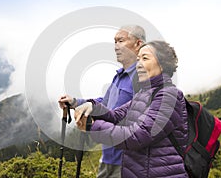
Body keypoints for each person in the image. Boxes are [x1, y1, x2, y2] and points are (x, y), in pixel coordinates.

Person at [74, 41, 189, 177]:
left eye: (145, 58)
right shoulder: (143, 94)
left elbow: (137, 136)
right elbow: (116, 116)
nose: (138, 64)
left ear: (163, 64)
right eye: (138, 59)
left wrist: (92, 126)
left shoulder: (169, 96)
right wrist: (92, 107)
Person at [58, 25, 146, 177]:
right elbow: (105, 103)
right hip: (108, 158)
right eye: (115, 42)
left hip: (128, 162)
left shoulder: (143, 77)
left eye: (121, 41)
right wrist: (75, 102)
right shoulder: (119, 76)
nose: (116, 46)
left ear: (138, 44)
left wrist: (92, 126)